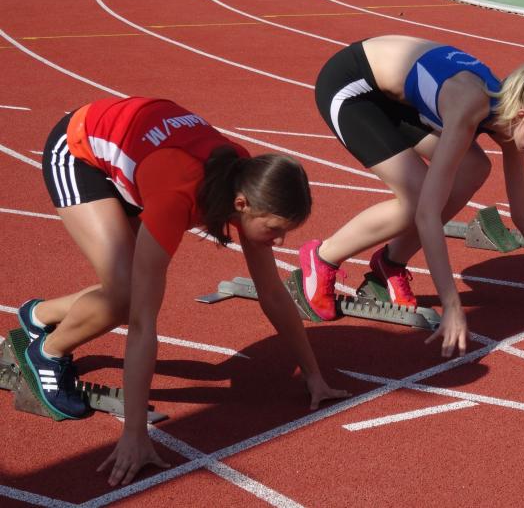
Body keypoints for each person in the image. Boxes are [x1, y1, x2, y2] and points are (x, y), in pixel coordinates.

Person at [19, 97, 348, 486]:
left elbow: (272, 292)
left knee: (125, 288)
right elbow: (142, 324)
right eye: (275, 230)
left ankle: (38, 315)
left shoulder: (248, 180)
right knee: (127, 297)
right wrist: (135, 433)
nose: (279, 242)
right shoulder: (178, 197)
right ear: (241, 205)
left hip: (143, 159)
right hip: (79, 151)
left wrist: (313, 375)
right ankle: (47, 352)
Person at [299, 35, 524, 358]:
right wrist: (451, 304)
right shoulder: (469, 105)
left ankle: (390, 262)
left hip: (397, 100)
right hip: (352, 85)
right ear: (523, 114)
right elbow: (427, 214)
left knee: (473, 168)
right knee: (417, 199)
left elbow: (523, 210)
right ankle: (323, 257)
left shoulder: (511, 122)